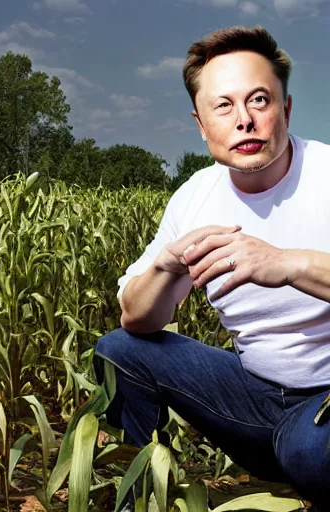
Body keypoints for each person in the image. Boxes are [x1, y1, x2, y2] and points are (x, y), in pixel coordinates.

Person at [95, 25, 330, 509]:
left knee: (312, 453)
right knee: (120, 352)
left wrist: (288, 264)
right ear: (201, 124)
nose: (244, 120)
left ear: (285, 110)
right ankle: (142, 497)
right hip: (252, 400)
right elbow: (138, 321)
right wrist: (164, 266)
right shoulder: (196, 196)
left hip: (324, 407)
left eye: (259, 100)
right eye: (223, 106)